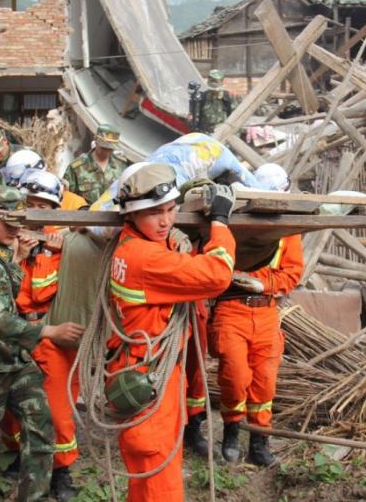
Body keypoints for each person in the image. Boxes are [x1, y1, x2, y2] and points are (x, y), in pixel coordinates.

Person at [0, 185, 85, 502]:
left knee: (40, 428)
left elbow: (11, 290)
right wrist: (51, 332)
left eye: (18, 224)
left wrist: (19, 256)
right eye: (7, 224)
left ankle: (33, 495)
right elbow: (1, 320)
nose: (14, 231)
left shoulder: (2, 250)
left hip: (14, 359)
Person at [107, 162, 236, 501]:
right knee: (160, 480)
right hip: (151, 384)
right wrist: (219, 223)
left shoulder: (128, 244)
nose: (165, 221)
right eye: (154, 213)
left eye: (170, 210)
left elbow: (167, 257)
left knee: (145, 481)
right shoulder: (145, 258)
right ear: (131, 215)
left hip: (142, 374)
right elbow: (217, 274)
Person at [209, 163, 303, 466]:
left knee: (264, 383)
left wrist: (265, 284)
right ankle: (233, 430)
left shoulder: (289, 232)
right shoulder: (233, 223)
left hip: (265, 313)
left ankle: (259, 443)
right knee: (235, 377)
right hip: (231, 310)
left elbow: (292, 274)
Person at [0, 170, 80, 501]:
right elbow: (2, 294)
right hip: (16, 335)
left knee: (57, 410)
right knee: (12, 407)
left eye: (45, 208)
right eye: (31, 206)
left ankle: (62, 472)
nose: (37, 214)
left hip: (51, 337)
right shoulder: (5, 246)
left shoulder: (65, 249)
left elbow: (44, 292)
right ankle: (21, 455)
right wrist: (18, 256)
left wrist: (45, 254)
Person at [63, 124, 126, 205]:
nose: (106, 152)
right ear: (95, 139)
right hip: (85, 216)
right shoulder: (77, 168)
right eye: (103, 147)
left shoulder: (121, 165)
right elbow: (66, 198)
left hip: (114, 215)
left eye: (110, 148)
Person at [195, 69, 236, 134]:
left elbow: (235, 120)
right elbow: (197, 118)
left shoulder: (228, 98)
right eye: (212, 90)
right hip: (205, 136)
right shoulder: (203, 97)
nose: (214, 92)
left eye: (216, 91)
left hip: (222, 135)